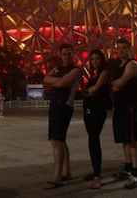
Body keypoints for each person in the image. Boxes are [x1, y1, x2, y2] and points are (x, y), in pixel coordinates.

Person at [42, 43, 82, 190]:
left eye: (69, 54)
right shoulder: (59, 68)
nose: (66, 56)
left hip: (63, 106)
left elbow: (61, 83)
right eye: (64, 54)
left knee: (56, 140)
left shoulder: (76, 70)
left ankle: (57, 177)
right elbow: (46, 79)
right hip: (55, 105)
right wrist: (57, 81)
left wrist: (56, 81)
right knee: (61, 140)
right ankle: (67, 171)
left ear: (74, 54)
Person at [111, 38, 137, 189]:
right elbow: (115, 86)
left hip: (129, 106)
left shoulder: (132, 64)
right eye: (119, 48)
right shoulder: (119, 65)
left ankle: (136, 175)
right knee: (124, 139)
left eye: (124, 48)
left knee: (132, 139)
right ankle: (127, 168)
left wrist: (114, 84)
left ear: (130, 49)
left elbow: (120, 83)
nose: (121, 51)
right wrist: (115, 85)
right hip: (120, 106)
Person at [82, 49, 110, 189]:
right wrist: (87, 91)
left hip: (97, 110)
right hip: (88, 110)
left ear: (102, 59)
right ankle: (95, 171)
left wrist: (87, 91)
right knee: (92, 139)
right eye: (92, 59)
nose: (95, 61)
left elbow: (93, 90)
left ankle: (98, 176)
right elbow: (88, 90)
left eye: (97, 59)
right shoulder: (93, 74)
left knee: (94, 139)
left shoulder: (104, 73)